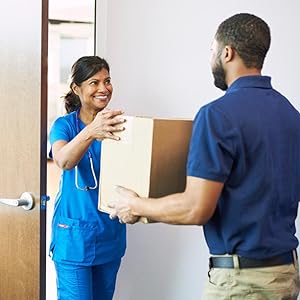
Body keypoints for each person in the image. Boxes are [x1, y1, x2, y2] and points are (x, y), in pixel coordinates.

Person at [108, 13, 300, 299]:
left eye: (212, 51)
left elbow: (196, 208)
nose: (210, 59)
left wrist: (136, 205)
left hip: (241, 284)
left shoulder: (217, 115)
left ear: (227, 52)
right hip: (284, 274)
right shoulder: (290, 115)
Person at [49, 56, 126, 300]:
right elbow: (63, 160)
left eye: (108, 81)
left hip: (109, 234)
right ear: (76, 88)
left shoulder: (120, 126)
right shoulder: (64, 126)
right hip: (73, 238)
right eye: (94, 82)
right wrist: (91, 131)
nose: (104, 89)